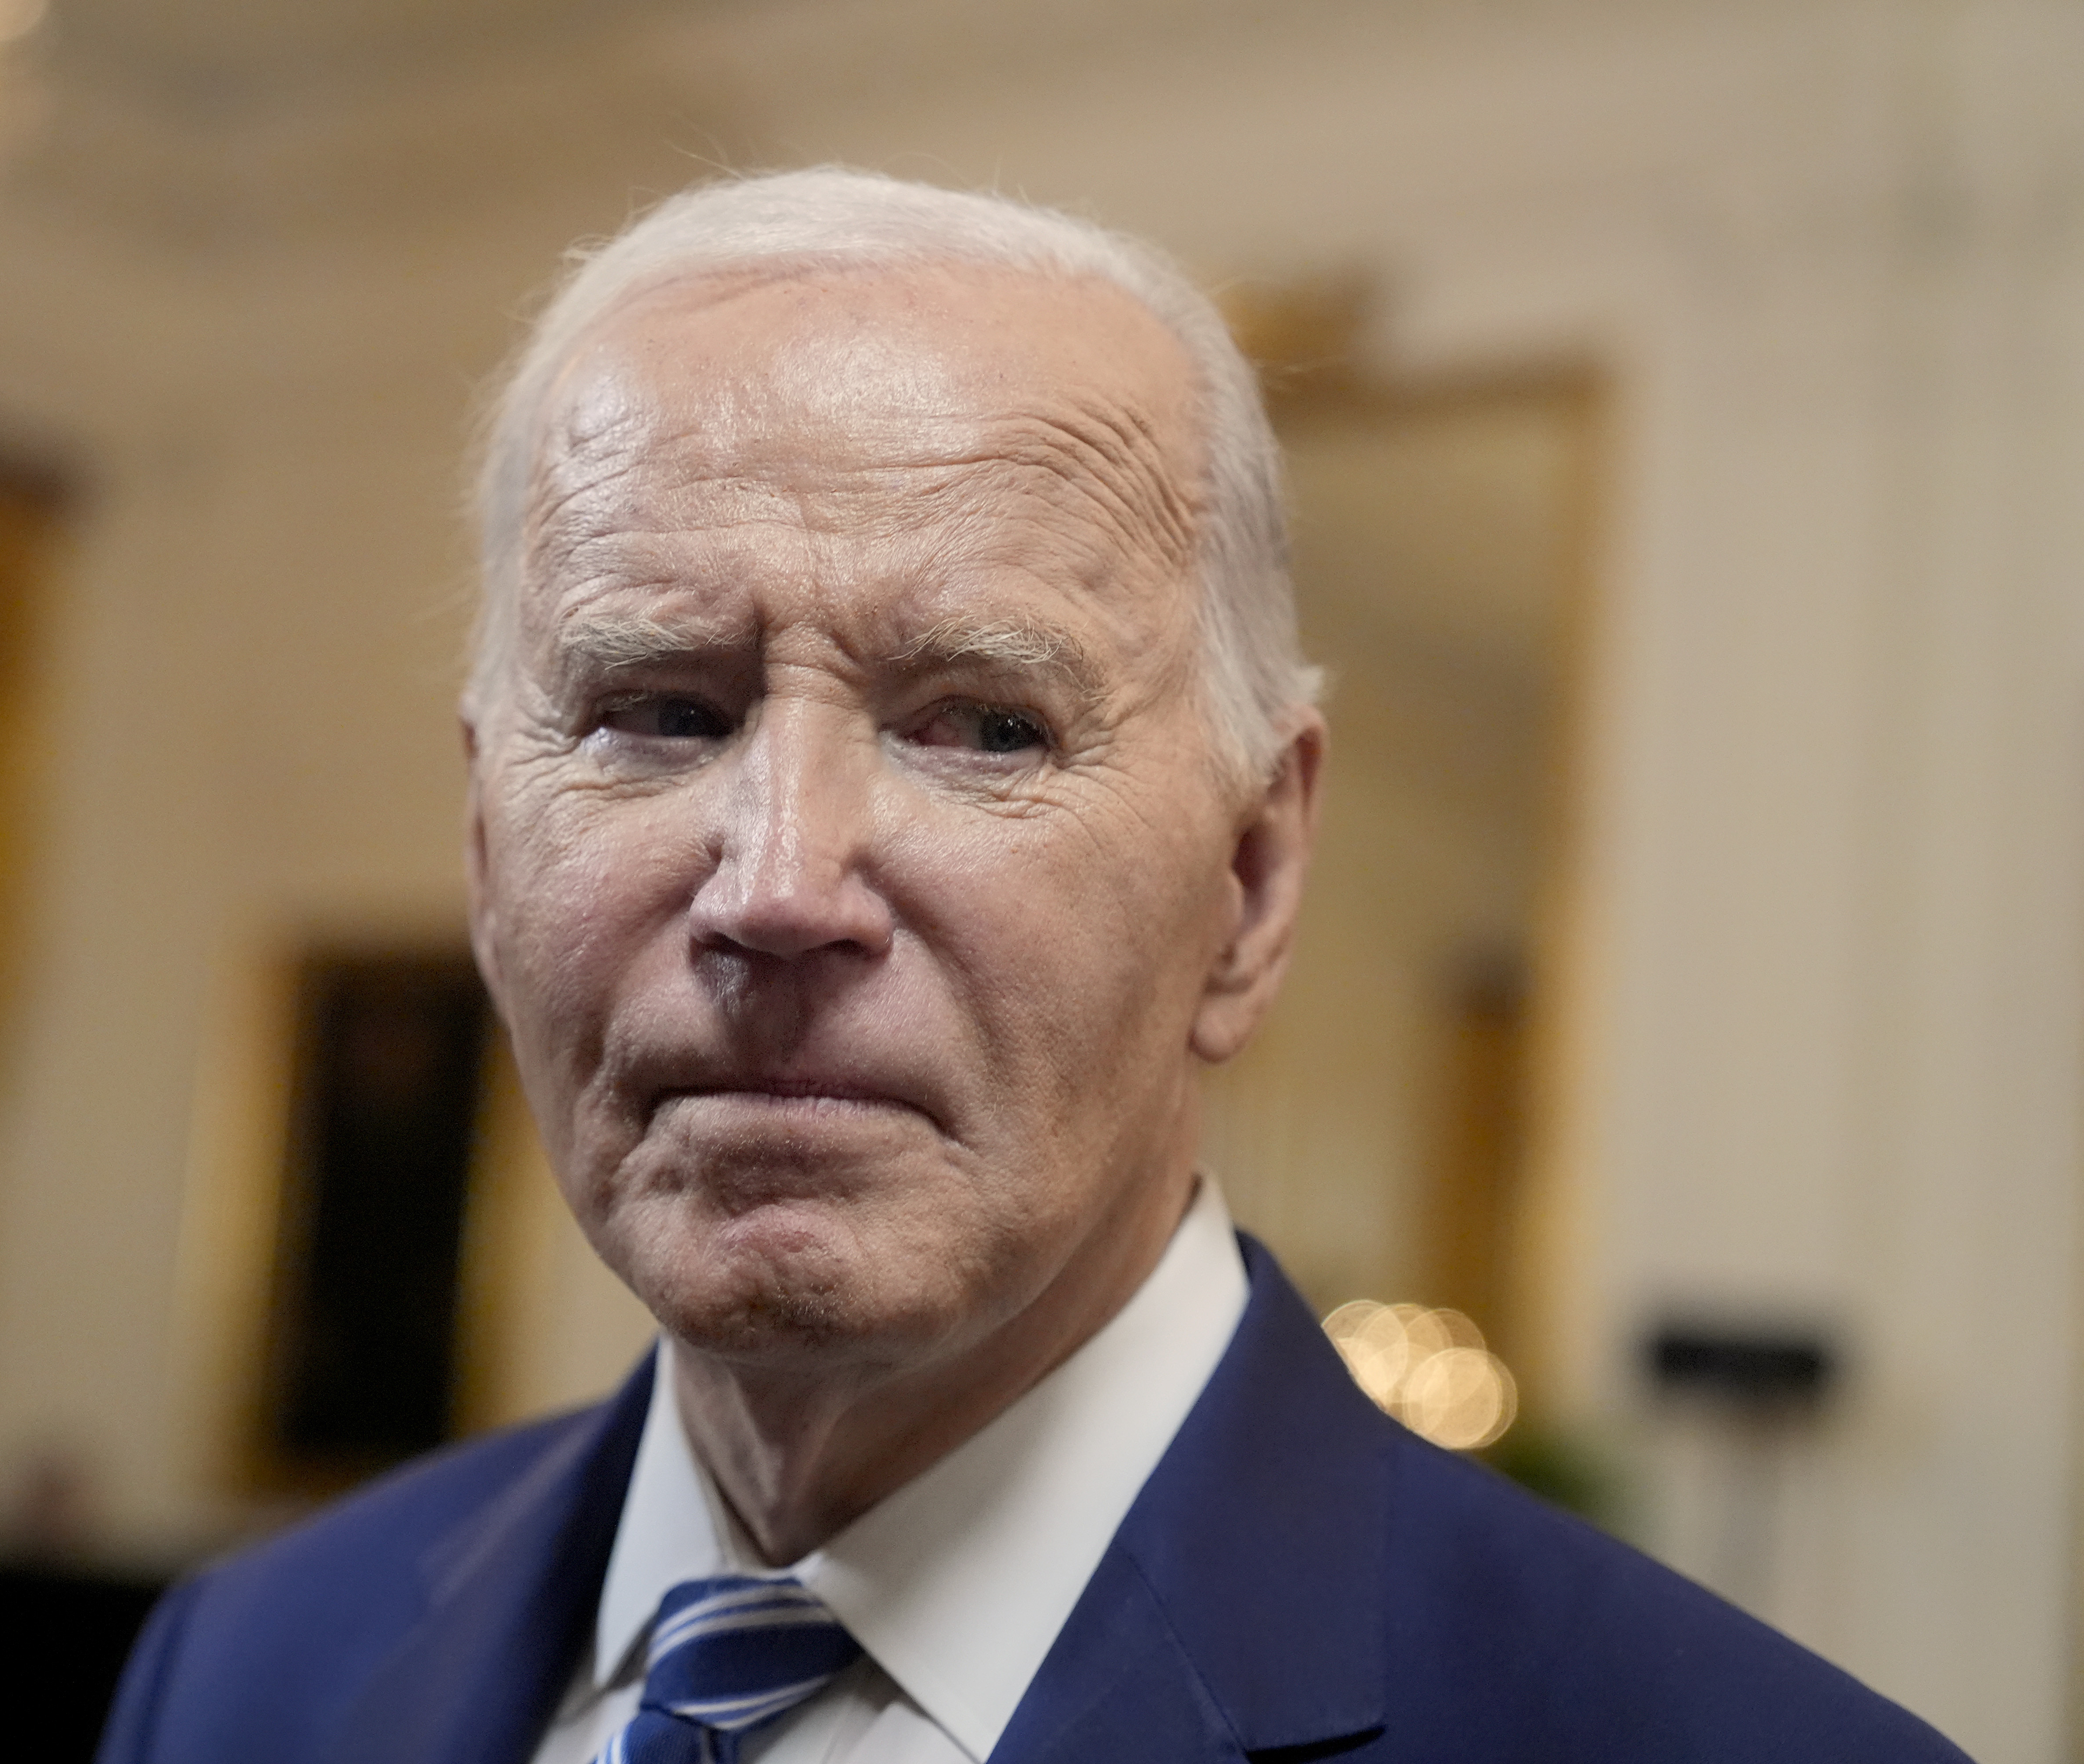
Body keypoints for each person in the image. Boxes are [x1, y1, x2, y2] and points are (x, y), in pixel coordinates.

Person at [98, 169, 1967, 1764]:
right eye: (661, 711)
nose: (779, 886)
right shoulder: (250, 1672)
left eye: (982, 726)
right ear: (493, 847)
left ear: (1248, 880)